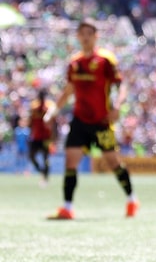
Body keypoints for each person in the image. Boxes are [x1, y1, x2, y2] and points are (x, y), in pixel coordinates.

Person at [44, 18, 138, 220]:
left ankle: (131, 199)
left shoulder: (106, 60)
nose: (85, 37)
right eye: (82, 34)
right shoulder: (74, 63)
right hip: (79, 120)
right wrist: (53, 111)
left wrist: (118, 107)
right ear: (78, 36)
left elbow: (121, 85)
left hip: (101, 121)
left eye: (89, 34)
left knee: (113, 162)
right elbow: (68, 90)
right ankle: (67, 207)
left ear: (96, 36)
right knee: (71, 161)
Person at [29, 89, 56, 185]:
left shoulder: (50, 106)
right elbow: (31, 121)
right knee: (31, 156)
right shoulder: (34, 106)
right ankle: (41, 171)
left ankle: (45, 177)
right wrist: (31, 133)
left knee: (46, 158)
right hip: (36, 137)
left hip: (46, 137)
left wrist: (54, 136)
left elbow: (54, 122)